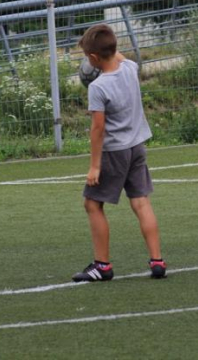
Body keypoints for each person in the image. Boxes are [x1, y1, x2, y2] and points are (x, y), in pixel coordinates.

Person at [72, 24, 166, 281]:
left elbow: (98, 129)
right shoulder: (130, 68)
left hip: (114, 152)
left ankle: (102, 266)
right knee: (141, 201)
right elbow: (117, 57)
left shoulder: (98, 87)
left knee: (92, 203)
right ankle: (157, 261)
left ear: (92, 59)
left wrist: (94, 166)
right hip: (138, 147)